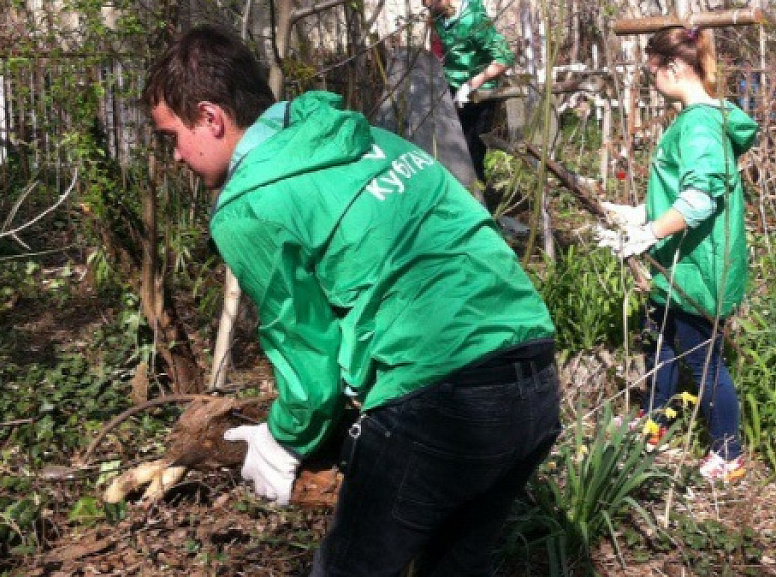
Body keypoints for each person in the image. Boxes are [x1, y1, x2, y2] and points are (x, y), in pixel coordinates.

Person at [142, 25, 560, 576]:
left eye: (172, 135)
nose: (174, 156)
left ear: (211, 117)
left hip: (441, 397)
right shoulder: (360, 135)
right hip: (534, 375)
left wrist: (283, 440)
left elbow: (306, 356)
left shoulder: (248, 203)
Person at [596, 26, 758, 483]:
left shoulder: (702, 124)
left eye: (653, 74)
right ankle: (655, 423)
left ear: (673, 67)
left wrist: (647, 233)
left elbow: (700, 199)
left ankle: (729, 454)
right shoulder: (694, 119)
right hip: (676, 261)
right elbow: (677, 192)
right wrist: (634, 216)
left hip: (697, 266)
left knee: (703, 365)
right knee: (659, 346)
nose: (653, 84)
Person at [424, 0, 514, 199]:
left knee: (471, 152)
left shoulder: (474, 19)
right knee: (449, 150)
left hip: (478, 95)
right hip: (451, 89)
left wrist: (472, 84)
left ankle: (478, 203)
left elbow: (504, 59)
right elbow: (439, 48)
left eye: (431, 4)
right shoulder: (438, 15)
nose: (428, 8)